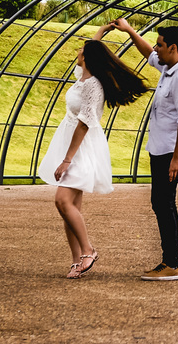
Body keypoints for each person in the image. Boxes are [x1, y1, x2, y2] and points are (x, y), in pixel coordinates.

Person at [37, 23, 149, 278]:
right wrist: (101, 31)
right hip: (70, 142)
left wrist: (67, 159)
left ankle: (88, 251)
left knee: (62, 201)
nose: (79, 51)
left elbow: (85, 123)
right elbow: (89, 53)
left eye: (82, 50)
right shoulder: (82, 77)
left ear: (87, 56)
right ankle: (77, 260)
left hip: (82, 147)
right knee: (70, 206)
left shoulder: (93, 85)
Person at [113, 17, 178, 281]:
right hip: (161, 149)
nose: (156, 49)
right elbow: (147, 52)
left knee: (164, 203)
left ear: (173, 47)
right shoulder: (168, 67)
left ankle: (172, 263)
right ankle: (170, 261)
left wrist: (177, 159)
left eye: (160, 45)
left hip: (170, 153)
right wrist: (129, 30)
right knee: (160, 203)